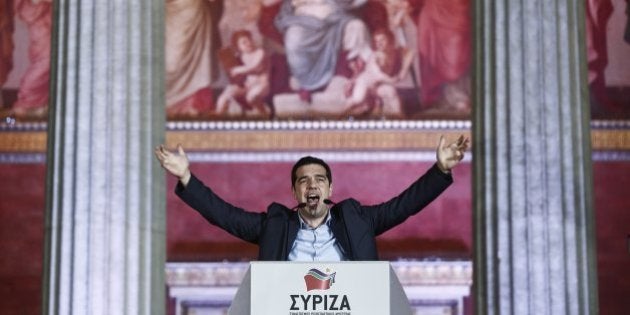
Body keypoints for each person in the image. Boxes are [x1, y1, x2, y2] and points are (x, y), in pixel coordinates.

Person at [154, 135, 469, 261]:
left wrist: (440, 169)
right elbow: (222, 214)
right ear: (295, 192)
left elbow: (405, 205)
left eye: (319, 179)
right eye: (303, 181)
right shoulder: (274, 224)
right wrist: (186, 177)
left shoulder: (358, 219)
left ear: (330, 190)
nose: (311, 185)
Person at [274, 0, 371, 103]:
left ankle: (353, 79)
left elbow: (350, 3)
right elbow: (289, 6)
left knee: (357, 27)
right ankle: (305, 81)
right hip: (303, 20)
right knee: (294, 39)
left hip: (335, 18)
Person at [344, 28, 413, 117]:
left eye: (382, 40)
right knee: (358, 99)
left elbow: (410, 52)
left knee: (391, 92)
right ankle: (339, 116)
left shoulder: (394, 52)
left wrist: (404, 70)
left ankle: (401, 119)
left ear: (389, 39)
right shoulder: (376, 56)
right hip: (365, 83)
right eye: (377, 41)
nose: (379, 44)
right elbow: (381, 76)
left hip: (377, 87)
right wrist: (396, 78)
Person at [215, 30, 271, 117]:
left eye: (249, 40)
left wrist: (237, 70)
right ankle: (217, 116)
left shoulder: (260, 52)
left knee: (251, 96)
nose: (248, 43)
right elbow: (232, 71)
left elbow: (254, 67)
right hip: (247, 86)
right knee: (227, 93)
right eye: (244, 42)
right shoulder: (241, 56)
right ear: (238, 47)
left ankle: (264, 114)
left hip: (261, 85)